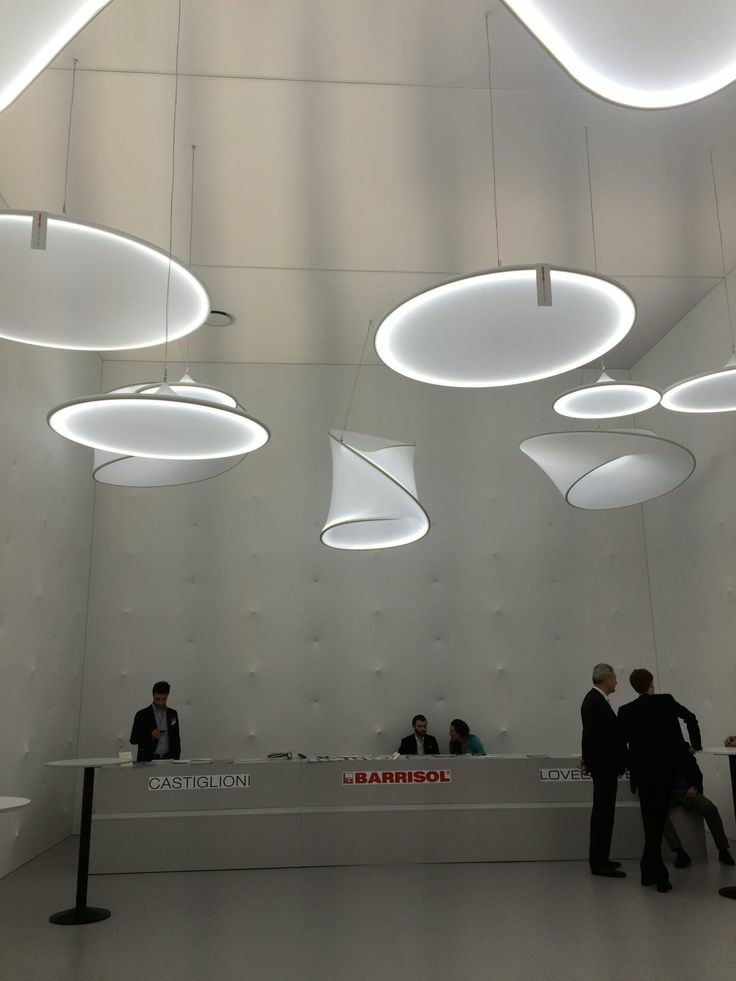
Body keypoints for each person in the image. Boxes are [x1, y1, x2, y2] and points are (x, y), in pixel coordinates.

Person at [618, 668, 700, 893]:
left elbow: (620, 743)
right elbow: (690, 717)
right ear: (651, 684)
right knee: (656, 823)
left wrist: (630, 763)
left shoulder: (626, 711)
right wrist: (695, 745)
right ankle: (660, 876)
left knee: (651, 823)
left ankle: (648, 871)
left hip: (643, 776)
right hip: (665, 773)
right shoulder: (666, 701)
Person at [580, 663, 627, 879]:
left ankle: (602, 858)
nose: (617, 681)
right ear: (606, 678)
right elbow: (591, 737)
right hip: (604, 768)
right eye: (615, 677)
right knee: (602, 815)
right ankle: (598, 862)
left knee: (605, 814)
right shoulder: (594, 701)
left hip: (604, 767)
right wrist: (590, 762)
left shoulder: (596, 700)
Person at [662, 745, 734, 867]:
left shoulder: (682, 748)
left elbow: (696, 773)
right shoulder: (659, 751)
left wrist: (694, 787)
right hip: (668, 792)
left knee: (710, 808)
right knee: (657, 814)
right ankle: (679, 851)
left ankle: (723, 850)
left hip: (687, 790)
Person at [130, 681, 181, 762]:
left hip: (169, 760)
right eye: (157, 699)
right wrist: (150, 735)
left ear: (167, 696)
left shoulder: (172, 714)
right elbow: (133, 739)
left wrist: (176, 759)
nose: (160, 702)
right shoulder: (142, 714)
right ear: (153, 696)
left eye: (163, 699)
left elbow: (176, 738)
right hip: (148, 760)